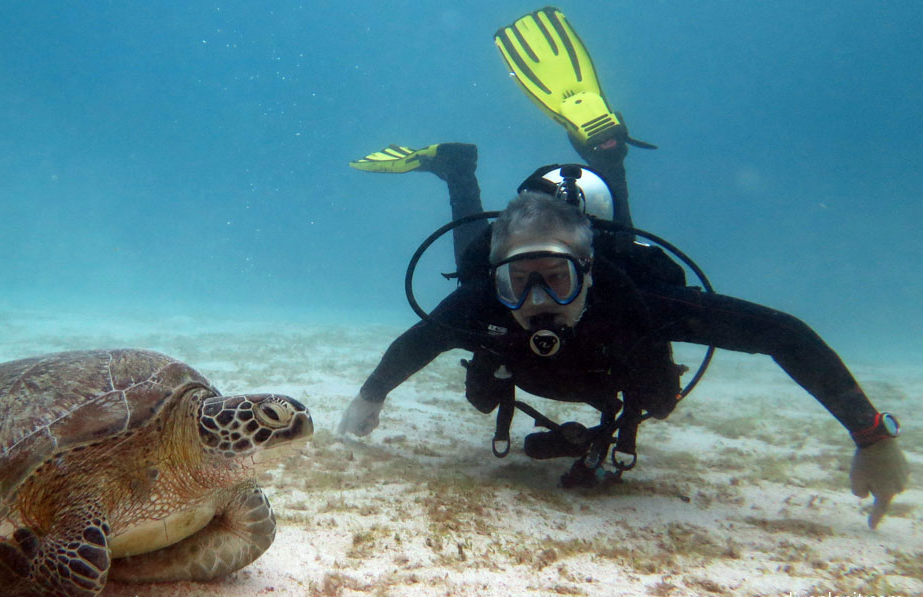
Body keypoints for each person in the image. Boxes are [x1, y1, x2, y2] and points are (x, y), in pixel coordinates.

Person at [339, 7, 908, 528]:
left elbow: (783, 334)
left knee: (622, 252)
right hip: (536, 277)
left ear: (587, 272)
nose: (537, 297)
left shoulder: (634, 300)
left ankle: (605, 162)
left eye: (557, 278)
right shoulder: (483, 298)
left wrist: (872, 436)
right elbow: (418, 341)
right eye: (519, 279)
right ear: (503, 280)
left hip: (611, 274)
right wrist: (371, 396)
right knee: (471, 263)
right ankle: (460, 169)